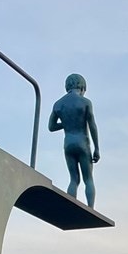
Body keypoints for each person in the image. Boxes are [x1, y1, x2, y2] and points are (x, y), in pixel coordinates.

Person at [48, 73, 100, 207]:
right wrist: (97, 148)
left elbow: (51, 127)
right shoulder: (85, 102)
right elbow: (92, 126)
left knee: (73, 179)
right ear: (82, 87)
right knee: (88, 179)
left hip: (68, 144)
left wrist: (65, 123)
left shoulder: (58, 104)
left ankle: (71, 205)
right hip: (82, 143)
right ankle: (91, 208)